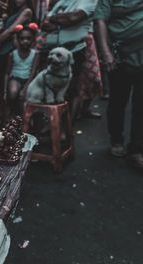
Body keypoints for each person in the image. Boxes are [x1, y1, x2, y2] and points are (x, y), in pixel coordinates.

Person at [94, 0, 143, 169]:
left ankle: (136, 149)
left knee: (141, 105)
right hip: (120, 56)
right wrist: (106, 53)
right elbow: (100, 20)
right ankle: (116, 140)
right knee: (117, 102)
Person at [41, 0, 99, 122]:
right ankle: (53, 124)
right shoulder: (62, 1)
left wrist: (54, 20)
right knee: (51, 87)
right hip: (53, 50)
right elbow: (44, 24)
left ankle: (66, 129)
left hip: (74, 50)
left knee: (71, 89)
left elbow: (74, 17)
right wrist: (62, 22)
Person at [0, 0, 33, 124]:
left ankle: (11, 117)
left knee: (7, 85)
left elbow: (12, 29)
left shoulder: (26, 11)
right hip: (3, 49)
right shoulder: (14, 11)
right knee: (1, 85)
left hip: (8, 48)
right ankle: (5, 116)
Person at [3, 23, 40, 116]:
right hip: (15, 78)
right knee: (13, 92)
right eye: (22, 39)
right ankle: (13, 114)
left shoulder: (35, 54)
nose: (25, 41)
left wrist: (25, 88)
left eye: (28, 38)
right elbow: (7, 73)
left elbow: (33, 72)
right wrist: (5, 91)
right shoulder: (12, 54)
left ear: (33, 39)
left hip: (29, 79)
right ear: (18, 39)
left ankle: (22, 120)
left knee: (23, 98)